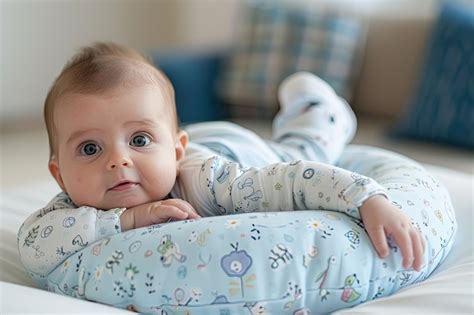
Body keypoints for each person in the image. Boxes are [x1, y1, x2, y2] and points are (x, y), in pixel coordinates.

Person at [17, 42, 424, 280]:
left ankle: (322, 111)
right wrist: (128, 220)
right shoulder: (74, 209)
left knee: (304, 149)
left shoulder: (212, 181)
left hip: (236, 151)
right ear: (59, 174)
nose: (118, 160)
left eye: (139, 139)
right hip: (197, 135)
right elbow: (34, 246)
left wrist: (367, 198)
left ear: (174, 151)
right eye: (90, 148)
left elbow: (297, 179)